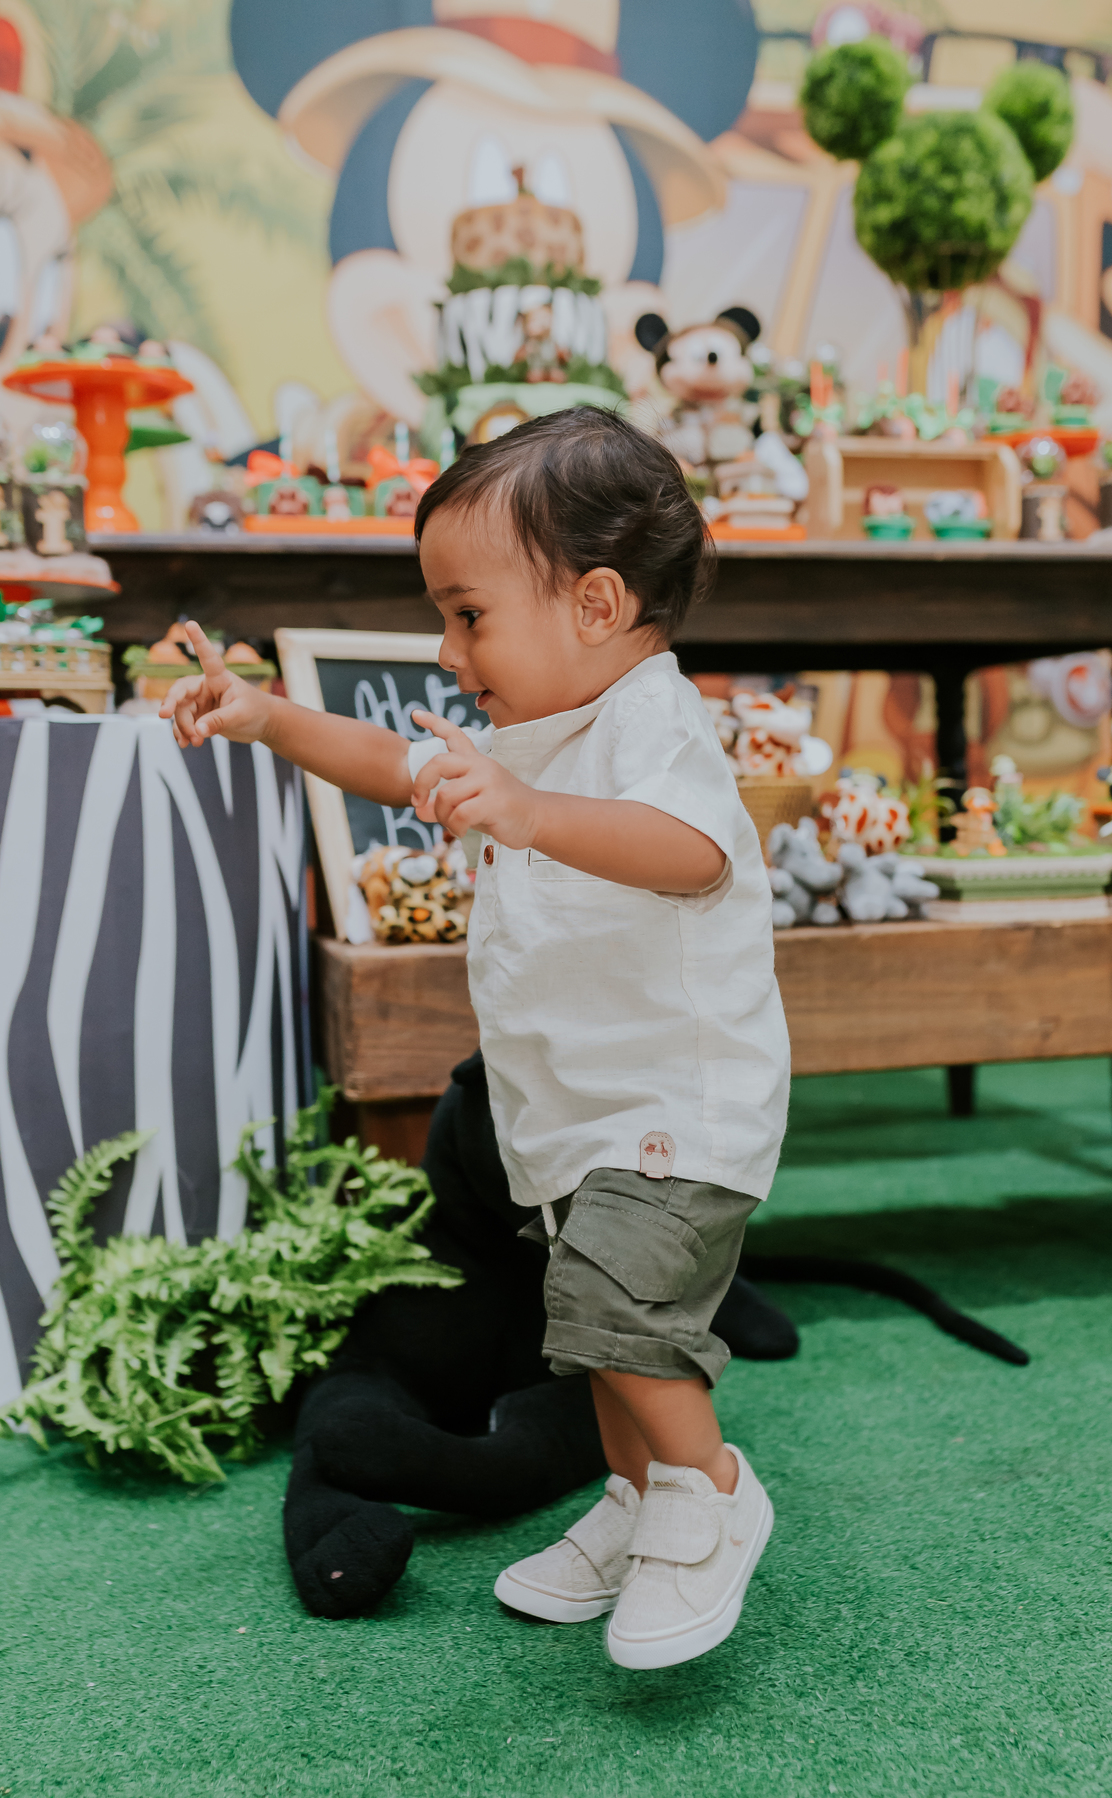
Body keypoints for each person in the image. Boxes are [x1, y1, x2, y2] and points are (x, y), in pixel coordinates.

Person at [160, 407, 790, 1671]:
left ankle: (711, 1490)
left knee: (624, 1310)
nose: (448, 652)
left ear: (598, 604)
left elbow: (695, 851)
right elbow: (398, 766)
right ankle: (635, 1500)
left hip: (676, 1108)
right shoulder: (539, 728)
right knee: (589, 1326)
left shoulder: (651, 725)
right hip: (576, 1113)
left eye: (468, 614)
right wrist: (269, 716)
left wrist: (531, 809)